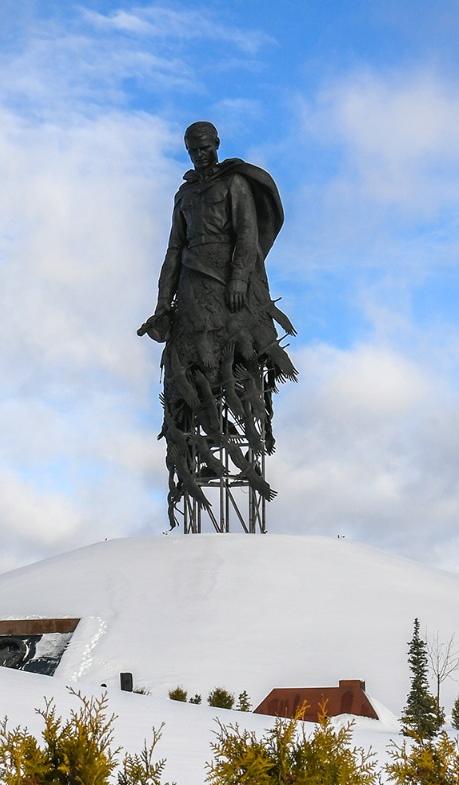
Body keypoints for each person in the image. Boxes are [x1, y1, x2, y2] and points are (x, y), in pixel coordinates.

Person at [139, 121, 297, 528]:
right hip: (193, 289)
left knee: (235, 366)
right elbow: (173, 250)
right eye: (193, 148)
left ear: (217, 145)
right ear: (187, 150)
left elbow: (247, 233)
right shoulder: (185, 195)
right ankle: (203, 448)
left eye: (206, 146)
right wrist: (162, 304)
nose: (200, 153)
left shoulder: (234, 184)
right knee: (190, 373)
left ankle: (242, 441)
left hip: (230, 287)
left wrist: (241, 278)